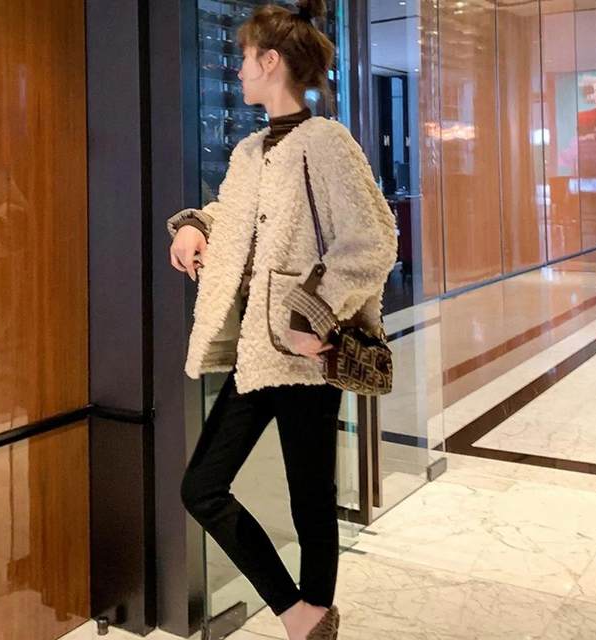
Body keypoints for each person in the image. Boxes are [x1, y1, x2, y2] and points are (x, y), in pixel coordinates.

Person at [166, 1, 397, 638]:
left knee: (310, 499)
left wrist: (313, 313)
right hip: (258, 352)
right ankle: (299, 614)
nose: (237, 70)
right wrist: (195, 225)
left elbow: (374, 238)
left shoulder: (326, 142)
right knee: (202, 487)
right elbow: (235, 215)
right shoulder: (249, 152)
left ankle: (313, 620)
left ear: (270, 61)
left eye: (244, 58)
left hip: (306, 354)